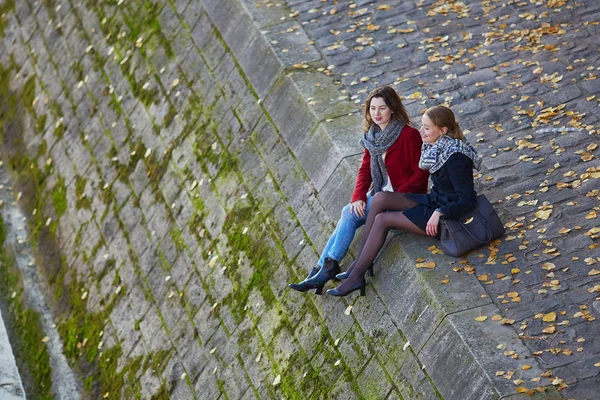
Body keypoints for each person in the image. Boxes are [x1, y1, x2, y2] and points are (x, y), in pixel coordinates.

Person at [327, 105, 481, 297]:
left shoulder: (456, 157)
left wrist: (440, 212)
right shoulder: (434, 149)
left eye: (427, 128)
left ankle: (356, 276)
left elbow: (468, 200)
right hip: (434, 201)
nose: (421, 131)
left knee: (383, 220)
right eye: (422, 126)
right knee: (380, 198)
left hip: (447, 218)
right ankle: (359, 265)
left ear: (442, 131)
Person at [287, 86, 429, 295]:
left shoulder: (409, 135)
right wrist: (358, 197)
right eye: (373, 108)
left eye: (382, 108)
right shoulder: (371, 135)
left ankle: (324, 269)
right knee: (350, 211)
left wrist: (393, 197)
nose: (377, 113)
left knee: (348, 214)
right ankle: (320, 270)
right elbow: (365, 169)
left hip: (404, 196)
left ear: (392, 108)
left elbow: (421, 173)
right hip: (380, 193)